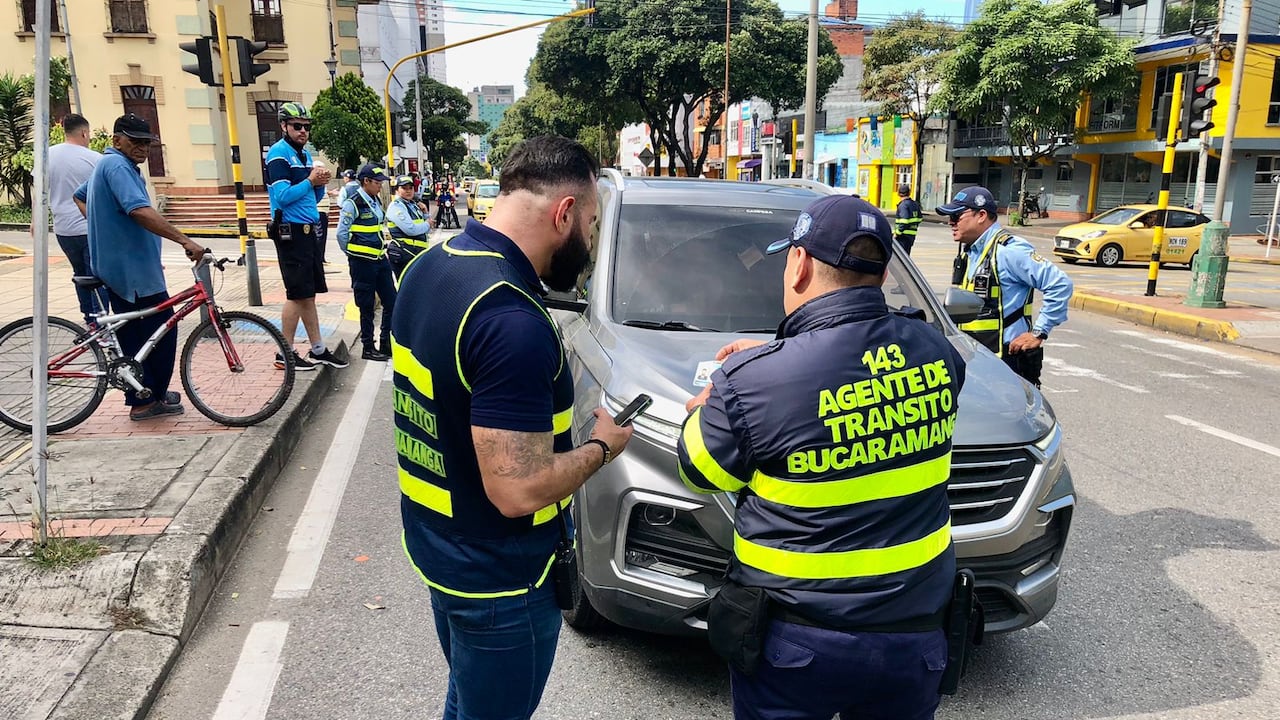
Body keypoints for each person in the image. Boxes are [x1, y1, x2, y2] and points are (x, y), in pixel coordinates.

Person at [676, 194, 966, 720]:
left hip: (797, 641)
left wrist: (712, 401)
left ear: (800, 263)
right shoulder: (936, 350)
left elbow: (698, 469)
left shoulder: (750, 384)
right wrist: (770, 360)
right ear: (880, 274)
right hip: (915, 634)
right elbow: (858, 373)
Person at [392, 135, 634, 720]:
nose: (592, 240)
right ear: (564, 213)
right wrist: (604, 445)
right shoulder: (510, 318)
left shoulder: (430, 267)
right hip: (500, 583)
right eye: (593, 223)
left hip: (439, 551)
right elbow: (517, 490)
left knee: (468, 702)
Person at [72, 114, 206, 421]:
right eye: (135, 141)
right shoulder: (116, 165)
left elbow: (80, 197)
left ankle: (151, 392)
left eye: (146, 143)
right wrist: (185, 240)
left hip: (132, 267)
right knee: (158, 333)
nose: (142, 148)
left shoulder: (114, 166)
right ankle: (144, 400)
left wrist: (105, 225)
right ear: (117, 140)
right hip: (130, 272)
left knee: (147, 332)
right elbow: (140, 211)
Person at [936, 186, 1073, 388]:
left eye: (956, 216)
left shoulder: (1009, 250)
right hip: (978, 358)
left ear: (981, 215)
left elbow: (1060, 284)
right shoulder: (970, 251)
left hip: (1006, 362)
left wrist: (1038, 333)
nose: (951, 223)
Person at [265, 102, 346, 371]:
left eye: (307, 127)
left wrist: (319, 184)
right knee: (296, 294)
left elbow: (312, 197)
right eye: (297, 126)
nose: (303, 131)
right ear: (284, 126)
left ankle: (318, 349)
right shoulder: (279, 154)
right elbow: (283, 197)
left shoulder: (304, 155)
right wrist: (310, 181)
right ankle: (283, 354)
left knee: (308, 294)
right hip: (291, 230)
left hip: (308, 230)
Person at [47, 113, 107, 326]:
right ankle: (102, 322)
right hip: (89, 227)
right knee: (98, 277)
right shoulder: (94, 159)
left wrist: (35, 221)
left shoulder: (47, 155)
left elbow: (40, 192)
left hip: (63, 229)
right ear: (84, 132)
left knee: (80, 274)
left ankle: (89, 319)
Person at [334, 164, 397, 361]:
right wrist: (352, 253)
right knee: (366, 306)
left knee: (392, 301)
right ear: (366, 182)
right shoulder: (353, 203)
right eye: (377, 183)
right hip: (362, 263)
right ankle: (368, 347)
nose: (380, 186)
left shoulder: (375, 200)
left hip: (379, 260)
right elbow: (341, 234)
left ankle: (385, 341)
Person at [385, 174, 433, 279]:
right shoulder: (396, 206)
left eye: (410, 188)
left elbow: (426, 230)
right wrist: (427, 224)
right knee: (408, 289)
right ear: (397, 190)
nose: (408, 191)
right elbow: (411, 230)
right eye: (404, 188)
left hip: (415, 253)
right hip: (404, 253)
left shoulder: (413, 205)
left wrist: (425, 213)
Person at [894, 183, 923, 255]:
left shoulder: (903, 205)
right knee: (906, 256)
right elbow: (919, 218)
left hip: (902, 237)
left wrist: (897, 233)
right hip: (911, 236)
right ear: (909, 193)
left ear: (899, 194)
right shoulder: (915, 204)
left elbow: (904, 221)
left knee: (900, 258)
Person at [314, 160, 333, 266]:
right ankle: (319, 259)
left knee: (323, 236)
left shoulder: (321, 183)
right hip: (319, 211)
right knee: (319, 236)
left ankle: (322, 258)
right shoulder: (314, 182)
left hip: (324, 211)